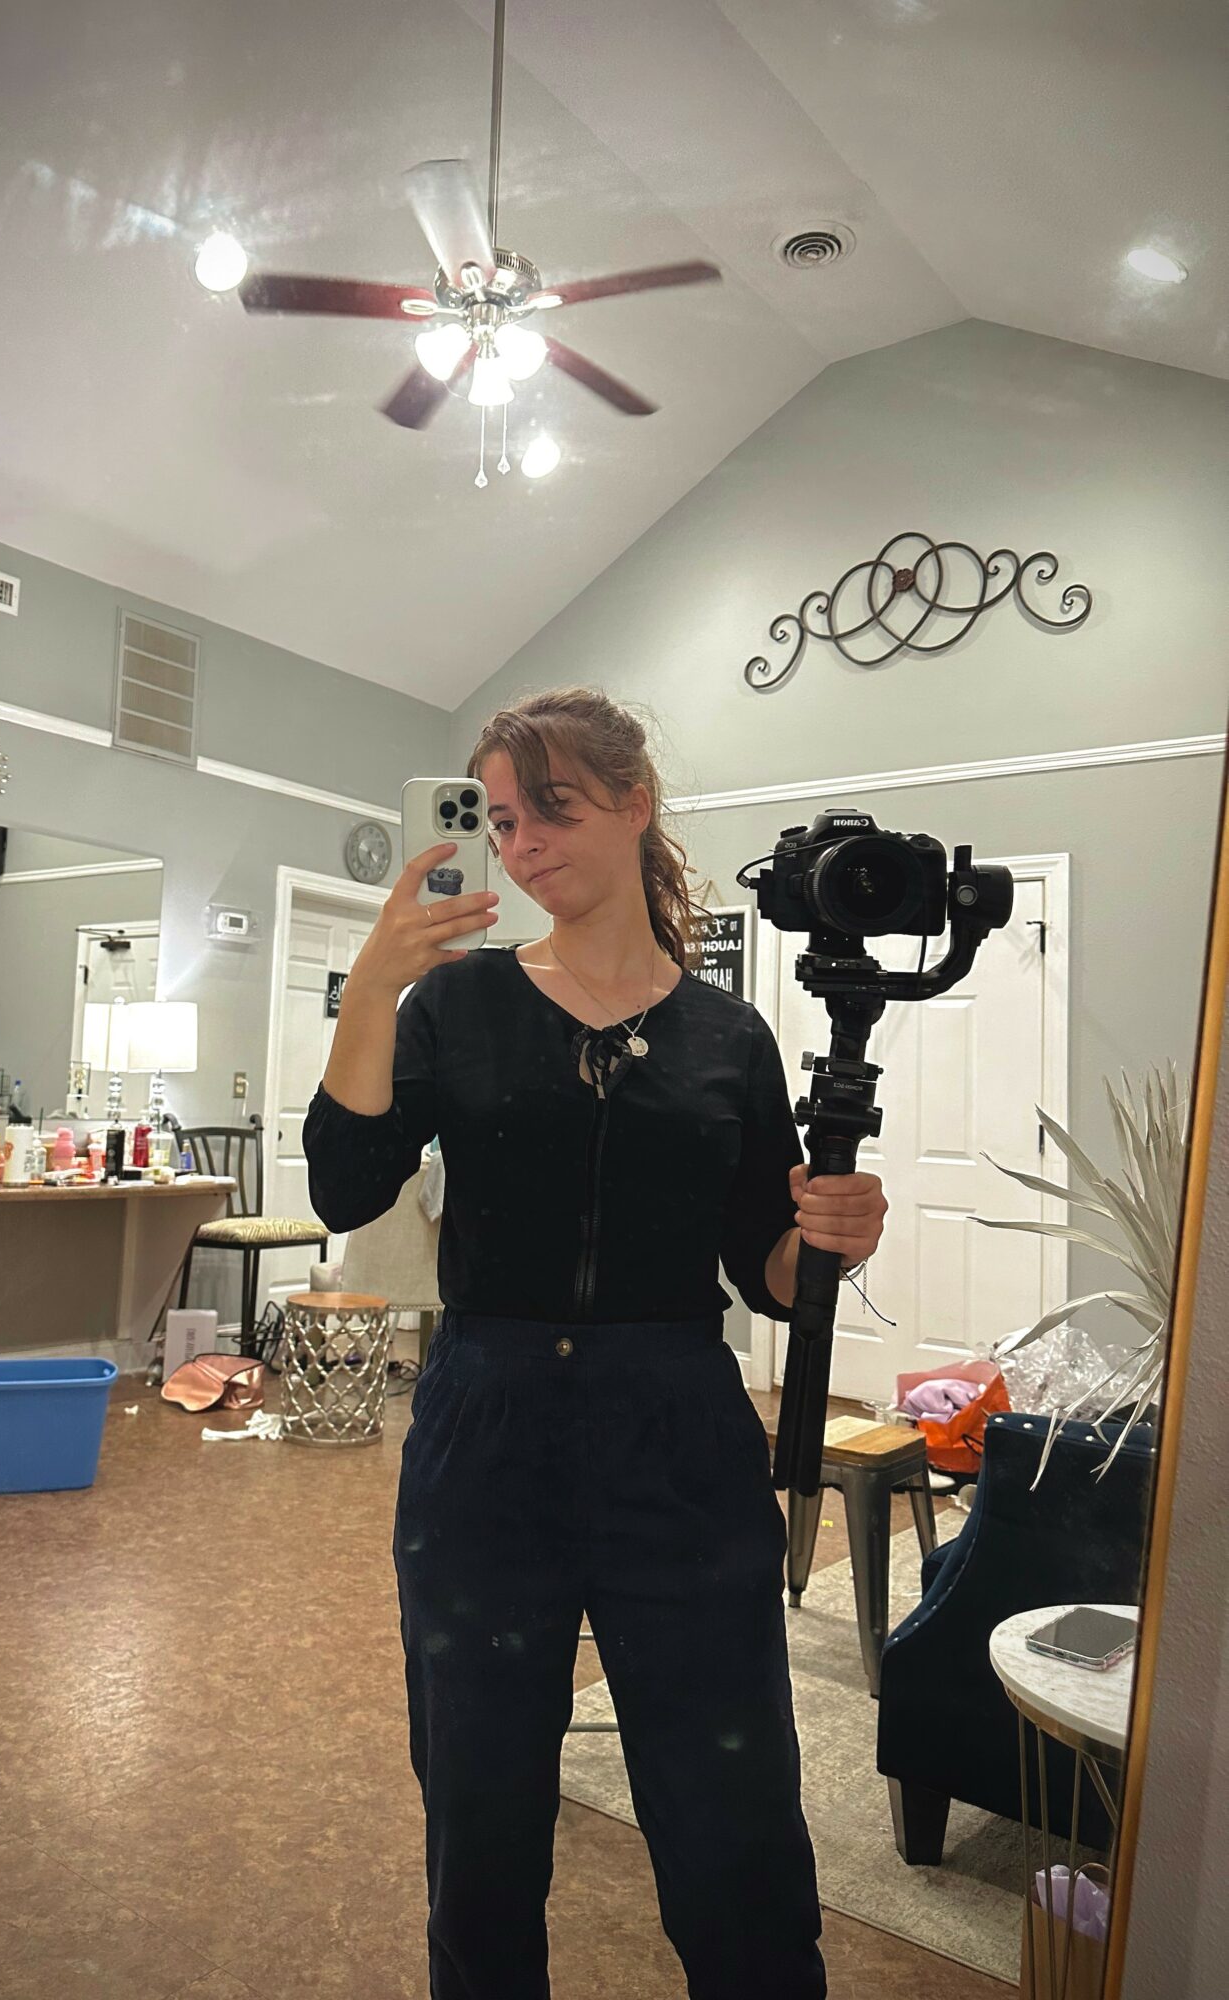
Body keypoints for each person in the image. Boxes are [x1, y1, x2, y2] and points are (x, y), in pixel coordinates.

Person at [302, 687, 888, 1999]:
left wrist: (832, 1236)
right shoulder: (456, 1006)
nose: (521, 847)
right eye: (503, 821)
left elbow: (769, 1273)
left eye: (551, 811)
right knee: (481, 1813)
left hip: (679, 1435)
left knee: (733, 1812)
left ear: (634, 803)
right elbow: (343, 1185)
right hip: (485, 1435)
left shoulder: (730, 1039)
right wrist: (377, 985)